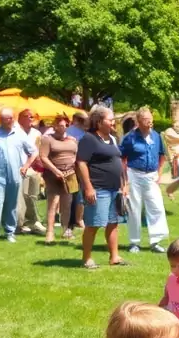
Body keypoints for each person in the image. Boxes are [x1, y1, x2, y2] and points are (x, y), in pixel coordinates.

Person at [77, 105, 128, 269]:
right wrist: (88, 187)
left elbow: (119, 162)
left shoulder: (113, 139)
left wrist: (124, 184)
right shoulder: (89, 139)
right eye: (110, 119)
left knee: (113, 223)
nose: (113, 122)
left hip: (114, 189)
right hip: (98, 188)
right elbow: (81, 163)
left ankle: (114, 257)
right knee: (93, 224)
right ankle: (87, 258)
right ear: (99, 122)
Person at [0, 108, 38, 247]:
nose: (7, 121)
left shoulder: (20, 134)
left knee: (11, 205)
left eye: (9, 118)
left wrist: (25, 166)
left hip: (15, 175)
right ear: (0, 120)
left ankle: (9, 232)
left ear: (13, 119)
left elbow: (34, 151)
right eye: (4, 119)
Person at [119, 108, 170, 254]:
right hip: (134, 174)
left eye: (151, 118)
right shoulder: (130, 138)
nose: (150, 122)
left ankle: (156, 241)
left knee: (157, 207)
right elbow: (122, 158)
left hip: (151, 176)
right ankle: (134, 242)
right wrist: (125, 180)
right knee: (134, 208)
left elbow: (162, 155)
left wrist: (159, 174)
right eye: (146, 119)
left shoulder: (156, 136)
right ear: (139, 121)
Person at [38, 113, 78, 244]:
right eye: (59, 125)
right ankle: (49, 232)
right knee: (53, 203)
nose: (62, 127)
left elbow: (76, 156)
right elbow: (43, 157)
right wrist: (55, 171)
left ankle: (66, 230)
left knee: (67, 202)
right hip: (53, 175)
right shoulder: (47, 139)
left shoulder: (73, 139)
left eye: (65, 125)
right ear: (54, 126)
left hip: (70, 174)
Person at [16, 108, 46, 235]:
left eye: (32, 117)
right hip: (18, 168)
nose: (31, 119)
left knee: (32, 196)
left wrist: (39, 171)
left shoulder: (36, 133)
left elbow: (37, 151)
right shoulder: (15, 132)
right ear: (20, 118)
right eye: (28, 116)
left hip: (33, 170)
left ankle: (33, 222)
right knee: (19, 198)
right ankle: (19, 224)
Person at [67, 111, 89, 228]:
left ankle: (80, 218)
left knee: (80, 192)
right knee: (76, 192)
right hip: (74, 165)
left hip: (84, 164)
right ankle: (77, 219)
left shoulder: (85, 131)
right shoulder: (71, 131)